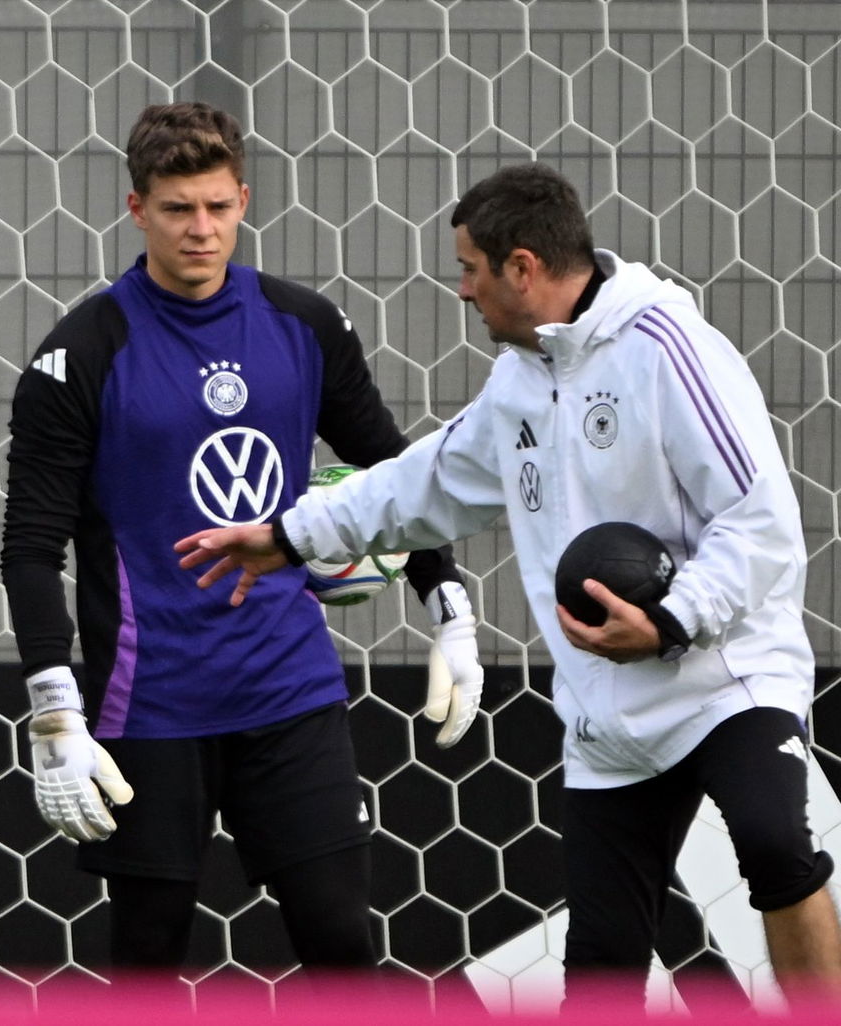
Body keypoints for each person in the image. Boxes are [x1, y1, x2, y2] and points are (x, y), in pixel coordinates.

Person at [176, 161, 841, 1006]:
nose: (463, 289)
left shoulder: (670, 351)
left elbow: (763, 523)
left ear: (522, 268)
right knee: (602, 958)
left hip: (724, 680)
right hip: (608, 709)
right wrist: (287, 535)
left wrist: (671, 621)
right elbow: (427, 481)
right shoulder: (520, 380)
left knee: (776, 845)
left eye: (470, 269)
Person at [0, 102, 484, 977]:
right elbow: (31, 547)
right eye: (179, 209)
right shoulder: (80, 353)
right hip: (149, 704)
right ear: (136, 208)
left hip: (289, 689)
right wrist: (54, 713)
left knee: (341, 944)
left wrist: (447, 604)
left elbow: (389, 474)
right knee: (147, 961)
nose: (201, 230)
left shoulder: (305, 326)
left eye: (219, 207)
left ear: (245, 201)